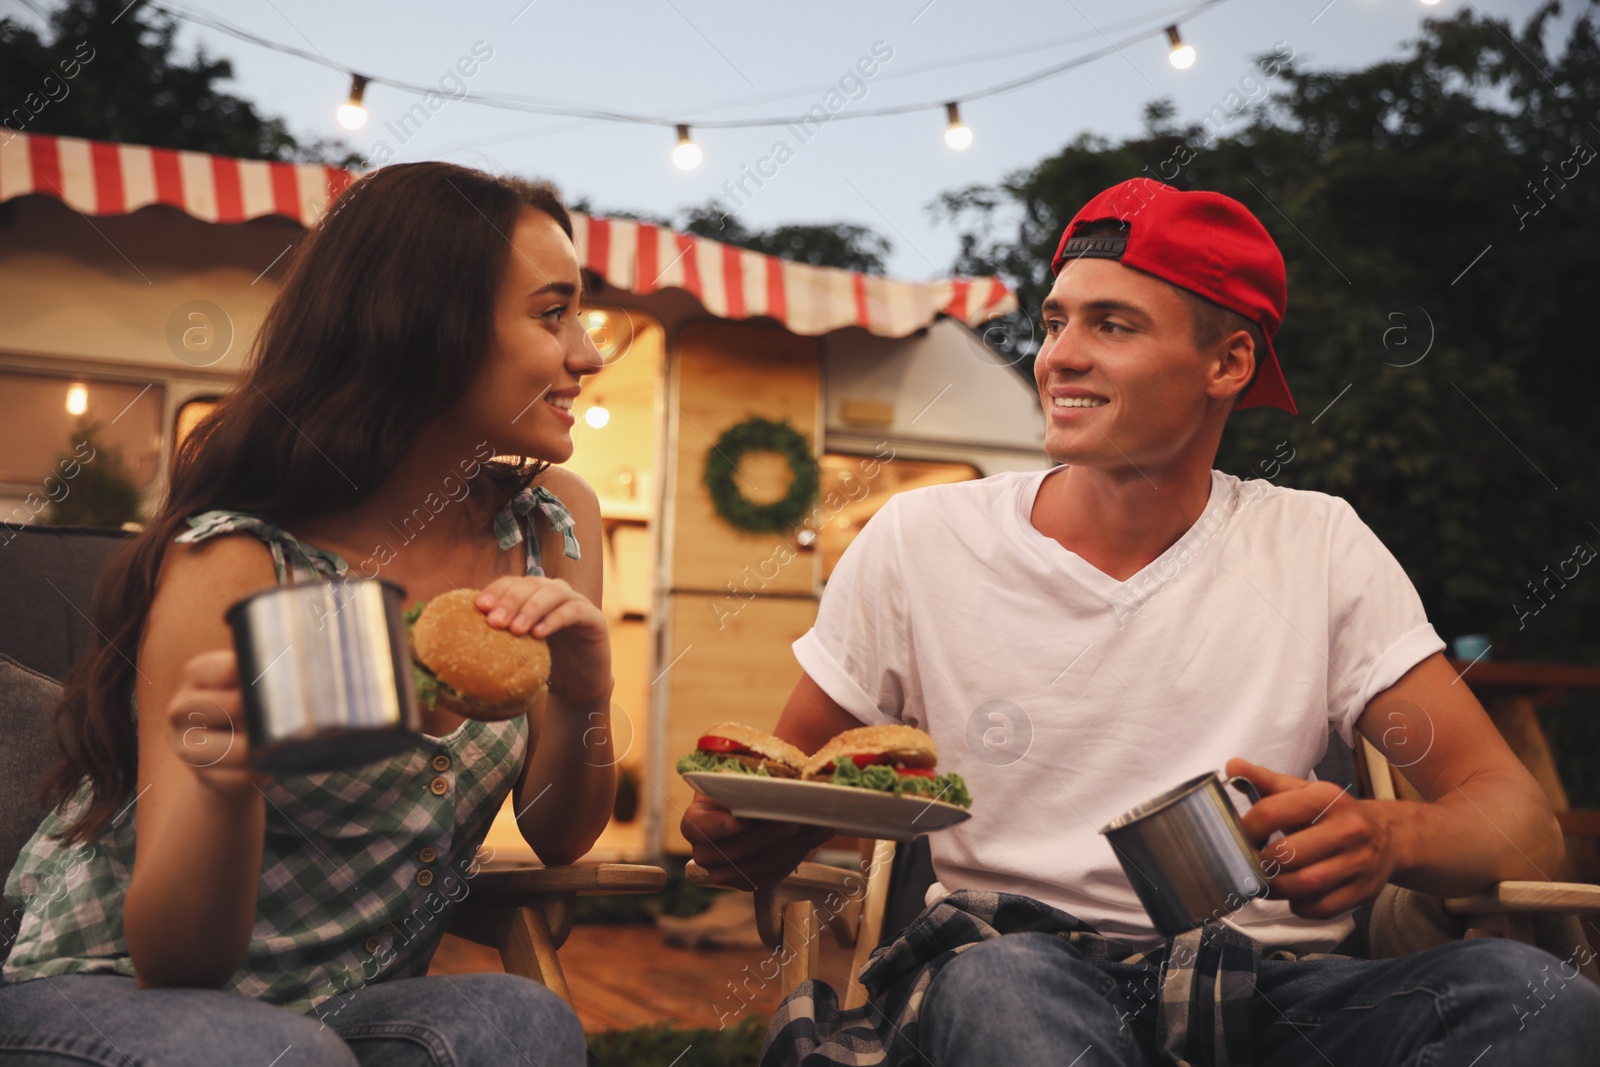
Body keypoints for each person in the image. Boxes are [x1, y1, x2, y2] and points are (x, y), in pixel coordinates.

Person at [683, 178, 1600, 1065]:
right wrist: (747, 832)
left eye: (1110, 325)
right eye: (1054, 322)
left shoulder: (1318, 545)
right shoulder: (923, 540)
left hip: (1271, 990)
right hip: (1011, 965)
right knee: (1002, 992)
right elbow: (794, 787)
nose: (1057, 356)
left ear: (1228, 362)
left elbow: (1517, 818)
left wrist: (1393, 836)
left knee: (1539, 997)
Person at [0, 162, 612, 1066]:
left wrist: (580, 697)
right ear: (425, 326)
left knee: (523, 1022)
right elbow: (177, 957)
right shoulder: (241, 560)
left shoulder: (555, 523)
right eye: (552, 312)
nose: (588, 353)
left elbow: (560, 832)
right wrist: (227, 782)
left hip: (339, 1008)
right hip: (104, 986)